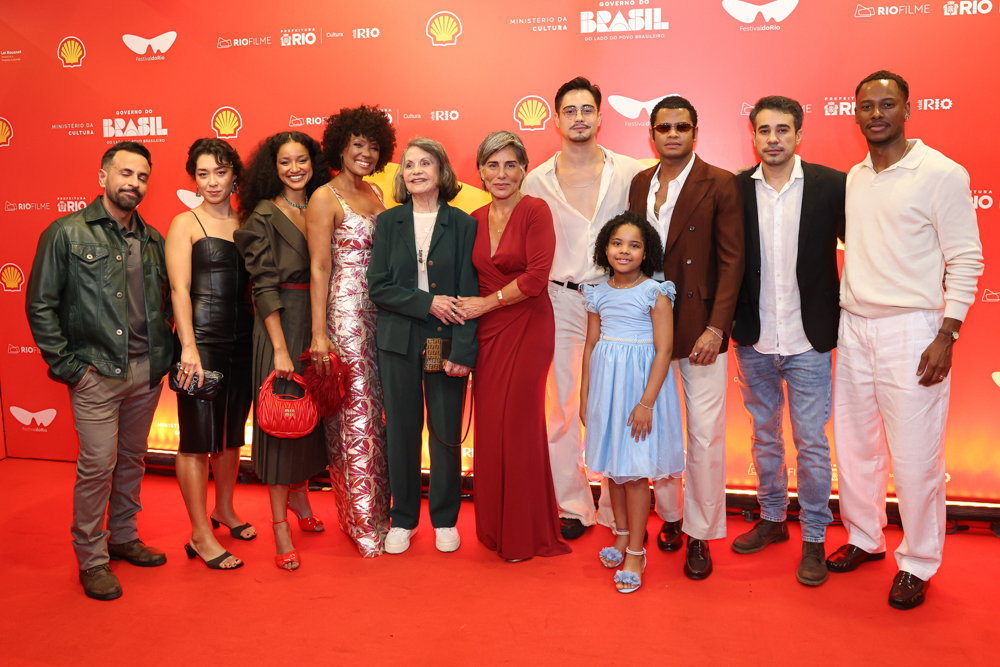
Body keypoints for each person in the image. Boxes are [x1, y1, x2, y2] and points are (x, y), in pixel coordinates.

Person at [829, 71, 983, 609]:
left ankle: (918, 561)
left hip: (914, 329)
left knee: (916, 457)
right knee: (855, 447)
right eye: (867, 106)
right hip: (854, 327)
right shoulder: (855, 177)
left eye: (887, 104)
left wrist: (947, 332)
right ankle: (864, 537)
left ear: (908, 109)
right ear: (855, 114)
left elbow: (966, 258)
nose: (877, 114)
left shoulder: (942, 173)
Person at [26, 141, 171, 600]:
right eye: (125, 173)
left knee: (132, 459)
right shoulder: (65, 232)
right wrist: (71, 369)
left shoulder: (153, 239)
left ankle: (123, 537)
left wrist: (163, 359)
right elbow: (40, 305)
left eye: (142, 177)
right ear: (103, 176)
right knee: (97, 467)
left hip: (146, 372)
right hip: (95, 374)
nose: (134, 183)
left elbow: (166, 303)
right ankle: (91, 559)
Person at [729, 96, 846, 586]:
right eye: (764, 130)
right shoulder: (734, 189)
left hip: (809, 338)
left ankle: (815, 536)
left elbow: (863, 247)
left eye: (782, 129)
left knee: (812, 443)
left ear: (799, 134)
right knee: (764, 436)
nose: (773, 139)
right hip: (753, 337)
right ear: (753, 135)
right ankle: (773, 518)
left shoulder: (832, 185)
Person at [522, 76, 645, 540]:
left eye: (586, 109)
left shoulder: (629, 171)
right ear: (556, 120)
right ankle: (572, 505)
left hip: (616, 299)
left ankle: (616, 507)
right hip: (558, 299)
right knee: (561, 405)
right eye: (570, 110)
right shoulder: (535, 180)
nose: (579, 118)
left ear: (599, 116)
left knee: (617, 402)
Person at [627, 95, 744, 580]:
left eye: (681, 127)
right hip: (646, 325)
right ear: (651, 134)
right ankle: (671, 515)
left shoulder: (720, 182)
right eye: (664, 127)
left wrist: (717, 327)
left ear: (696, 132)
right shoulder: (640, 182)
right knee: (654, 426)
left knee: (704, 433)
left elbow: (733, 261)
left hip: (700, 326)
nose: (672, 134)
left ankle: (700, 533)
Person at [455, 131, 570, 561]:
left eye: (510, 165)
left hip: (528, 327)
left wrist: (485, 304)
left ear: (524, 170)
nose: (501, 174)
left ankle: (524, 532)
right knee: (490, 426)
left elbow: (536, 278)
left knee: (519, 426)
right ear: (480, 172)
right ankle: (495, 527)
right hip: (487, 333)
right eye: (493, 165)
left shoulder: (536, 211)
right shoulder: (473, 218)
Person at [367, 137, 479, 555]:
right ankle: (403, 519)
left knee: (446, 431)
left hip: (441, 340)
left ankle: (445, 519)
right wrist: (427, 302)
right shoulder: (388, 222)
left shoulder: (463, 224)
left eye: (425, 163)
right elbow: (378, 286)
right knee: (401, 429)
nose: (416, 171)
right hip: (397, 339)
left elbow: (468, 292)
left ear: (441, 171)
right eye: (409, 164)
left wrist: (463, 352)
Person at [233, 132, 331, 571]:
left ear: (314, 163)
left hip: (317, 324)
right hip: (280, 327)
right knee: (280, 426)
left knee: (308, 424)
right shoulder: (262, 216)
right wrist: (279, 350)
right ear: (272, 169)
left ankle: (300, 498)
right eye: (285, 162)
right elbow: (263, 288)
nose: (295, 169)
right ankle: (279, 527)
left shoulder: (322, 204)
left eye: (302, 160)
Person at [306, 106, 396, 557]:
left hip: (383, 315)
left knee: (377, 418)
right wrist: (319, 334)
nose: (366, 153)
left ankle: (380, 512)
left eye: (374, 146)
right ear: (340, 147)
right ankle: (362, 523)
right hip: (345, 316)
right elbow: (319, 268)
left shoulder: (375, 191)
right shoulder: (324, 197)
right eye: (358, 144)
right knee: (354, 417)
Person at [580, 212, 683, 593]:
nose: (624, 251)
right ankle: (622, 534)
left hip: (640, 389)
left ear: (646, 252)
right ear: (605, 248)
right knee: (614, 466)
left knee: (636, 472)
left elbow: (664, 350)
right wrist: (585, 396)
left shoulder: (655, 292)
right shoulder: (597, 293)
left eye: (634, 245)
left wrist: (647, 403)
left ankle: (637, 553)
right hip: (607, 389)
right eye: (617, 243)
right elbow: (591, 345)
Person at [165, 138, 254, 570]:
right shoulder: (185, 223)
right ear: (194, 179)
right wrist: (188, 347)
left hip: (243, 340)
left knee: (232, 434)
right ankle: (200, 534)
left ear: (234, 175)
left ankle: (224, 509)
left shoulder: (248, 222)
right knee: (197, 439)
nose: (213, 181)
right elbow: (179, 289)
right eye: (203, 174)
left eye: (220, 172)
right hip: (200, 341)